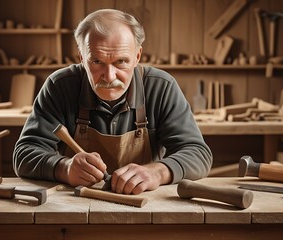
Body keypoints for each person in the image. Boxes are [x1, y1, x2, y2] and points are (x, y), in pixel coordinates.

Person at [13, 9, 212, 195]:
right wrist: (63, 168)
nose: (109, 77)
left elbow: (198, 154)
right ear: (82, 58)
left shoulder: (161, 87)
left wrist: (157, 173)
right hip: (75, 207)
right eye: (97, 62)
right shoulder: (60, 86)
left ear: (137, 57)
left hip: (145, 206)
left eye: (121, 62)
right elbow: (24, 154)